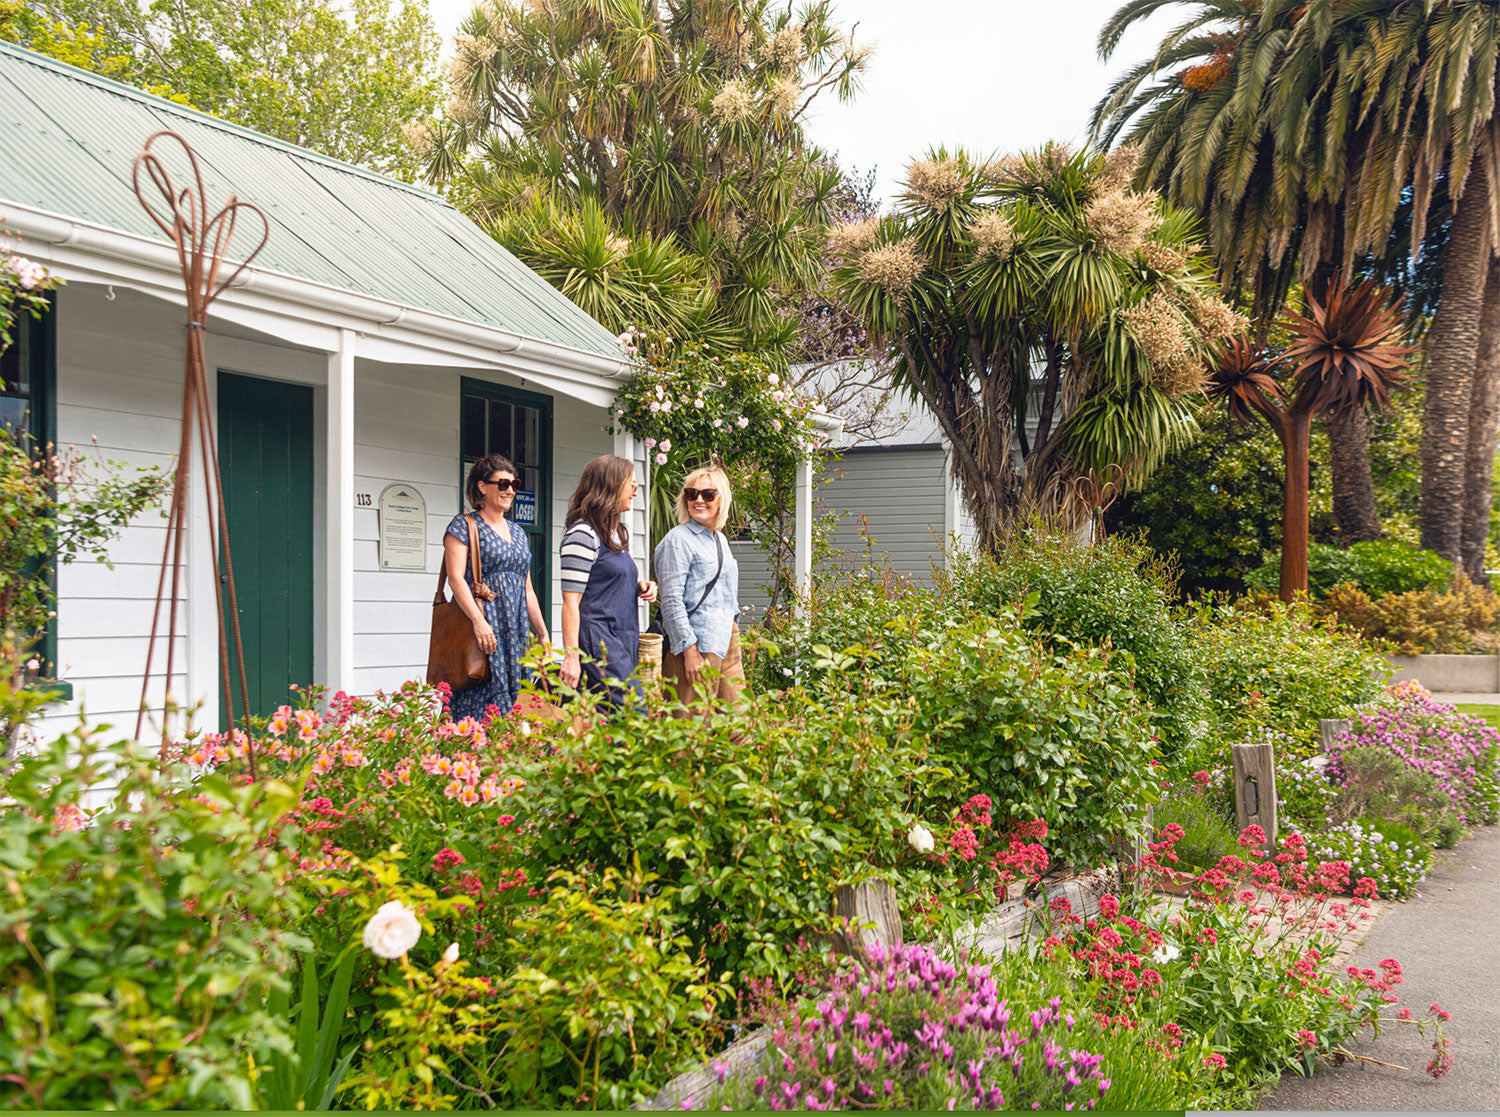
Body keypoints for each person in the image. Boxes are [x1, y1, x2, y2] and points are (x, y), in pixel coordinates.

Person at [443, 453, 550, 720]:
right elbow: (456, 578)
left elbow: (527, 589)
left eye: (514, 484)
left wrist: (542, 632)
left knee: (520, 706)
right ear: (483, 486)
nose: (510, 490)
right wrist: (479, 622)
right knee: (481, 702)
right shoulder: (465, 525)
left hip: (515, 630)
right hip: (485, 629)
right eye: (503, 484)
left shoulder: (518, 532)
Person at [559, 454, 657, 704]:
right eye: (631, 485)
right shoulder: (582, 534)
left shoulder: (613, 534)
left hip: (622, 637)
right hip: (598, 640)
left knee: (605, 719)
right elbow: (571, 601)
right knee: (632, 712)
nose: (635, 492)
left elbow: (602, 582)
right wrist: (571, 657)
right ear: (610, 486)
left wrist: (638, 586)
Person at [654, 465, 744, 709]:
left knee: (740, 724)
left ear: (721, 499)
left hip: (726, 642)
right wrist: (689, 652)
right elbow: (671, 600)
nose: (698, 500)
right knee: (688, 730)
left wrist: (735, 637)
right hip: (696, 645)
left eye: (708, 494)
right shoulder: (678, 540)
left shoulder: (721, 540)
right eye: (691, 494)